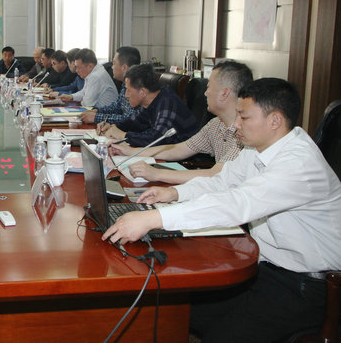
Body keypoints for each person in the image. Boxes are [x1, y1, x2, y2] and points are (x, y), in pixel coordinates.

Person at [102, 78, 341, 343]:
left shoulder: (299, 164)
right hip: (264, 269)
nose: (235, 124)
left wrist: (155, 217)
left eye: (244, 117)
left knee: (218, 334)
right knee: (175, 310)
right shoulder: (257, 148)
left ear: (275, 120)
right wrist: (173, 193)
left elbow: (237, 202)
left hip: (306, 286)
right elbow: (223, 181)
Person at [112, 60, 253, 184]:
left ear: (224, 93)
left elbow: (216, 174)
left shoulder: (246, 133)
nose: (205, 93)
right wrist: (132, 151)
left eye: (209, 87)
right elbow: (180, 149)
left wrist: (157, 174)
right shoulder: (216, 124)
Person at [100, 63, 198, 146]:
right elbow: (134, 122)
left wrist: (123, 135)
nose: (126, 95)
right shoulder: (151, 101)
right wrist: (112, 126)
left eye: (128, 90)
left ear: (142, 92)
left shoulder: (167, 102)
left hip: (187, 160)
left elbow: (156, 139)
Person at [79, 46, 140, 125]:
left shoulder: (137, 87)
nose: (112, 67)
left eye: (114, 63)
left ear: (124, 68)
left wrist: (96, 117)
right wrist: (96, 111)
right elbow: (116, 107)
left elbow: (129, 119)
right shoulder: (124, 84)